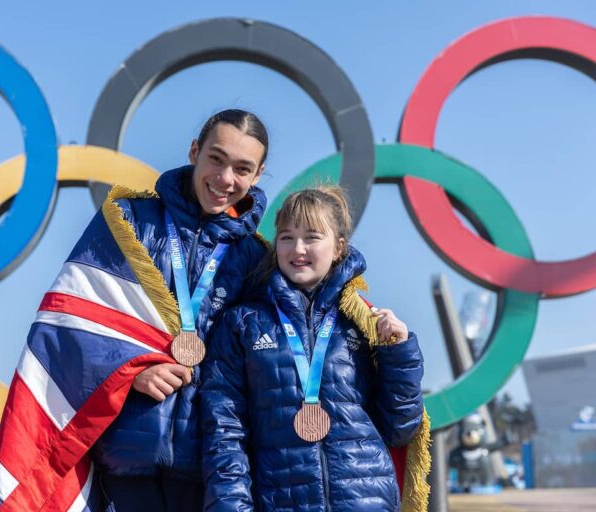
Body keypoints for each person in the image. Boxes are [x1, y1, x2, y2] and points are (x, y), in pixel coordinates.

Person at [83, 109, 269, 511]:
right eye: (216, 159)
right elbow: (72, 324)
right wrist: (128, 373)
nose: (224, 180)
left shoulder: (256, 258)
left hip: (210, 466)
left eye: (242, 169)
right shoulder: (129, 221)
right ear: (194, 151)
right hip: (125, 461)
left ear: (257, 176)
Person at [200, 187, 430, 511]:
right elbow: (224, 430)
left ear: (338, 248)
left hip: (365, 502)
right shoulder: (242, 323)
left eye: (311, 237)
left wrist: (399, 353)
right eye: (286, 237)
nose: (298, 249)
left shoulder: (361, 320)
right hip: (282, 500)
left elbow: (399, 428)